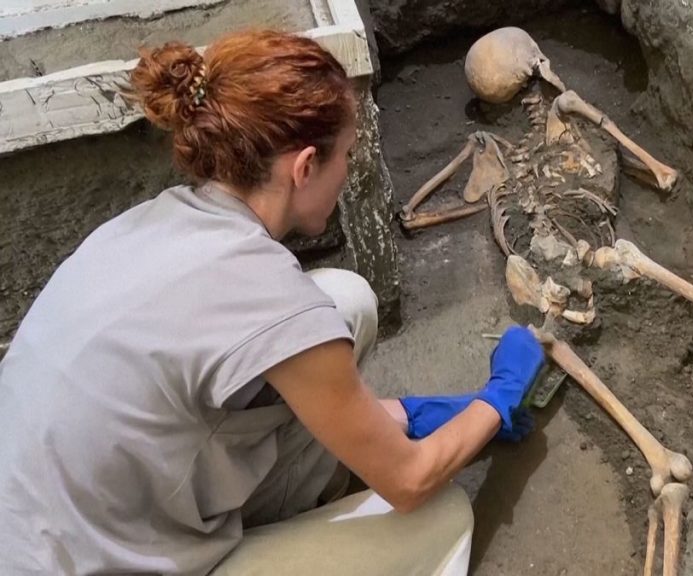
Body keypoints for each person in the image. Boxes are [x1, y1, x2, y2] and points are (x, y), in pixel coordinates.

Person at [0, 29, 544, 575]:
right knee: (440, 516)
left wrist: (404, 414)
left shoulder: (149, 224)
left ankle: (282, 518)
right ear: (304, 167)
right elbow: (409, 481)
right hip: (87, 562)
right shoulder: (268, 295)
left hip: (68, 512)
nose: (348, 173)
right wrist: (497, 399)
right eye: (346, 158)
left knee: (344, 303)